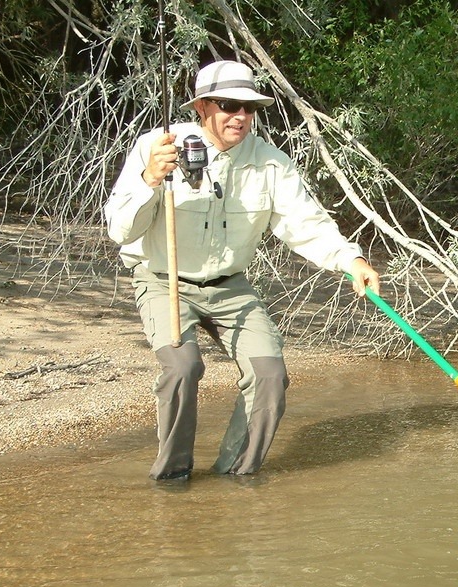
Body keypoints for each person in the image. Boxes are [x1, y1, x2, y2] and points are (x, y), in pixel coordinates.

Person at [105, 60, 379, 481]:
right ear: (201, 107)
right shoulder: (157, 147)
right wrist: (150, 179)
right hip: (164, 282)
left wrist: (351, 260)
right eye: (229, 104)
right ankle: (173, 476)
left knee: (270, 375)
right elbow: (121, 230)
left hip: (231, 286)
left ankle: (235, 474)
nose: (241, 116)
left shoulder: (271, 163)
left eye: (249, 107)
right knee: (183, 368)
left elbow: (304, 224)